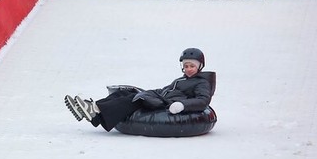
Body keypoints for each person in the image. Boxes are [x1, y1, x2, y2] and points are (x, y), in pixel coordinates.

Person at [64, 48, 212, 132]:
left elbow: (203, 100)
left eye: (192, 66)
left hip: (167, 105)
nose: (189, 69)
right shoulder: (181, 80)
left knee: (135, 100)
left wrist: (182, 106)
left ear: (199, 66)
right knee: (126, 92)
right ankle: (94, 114)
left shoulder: (201, 83)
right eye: (186, 66)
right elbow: (166, 89)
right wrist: (151, 91)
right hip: (161, 97)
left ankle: (94, 109)